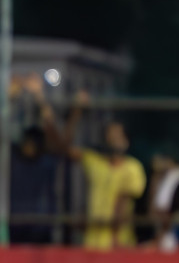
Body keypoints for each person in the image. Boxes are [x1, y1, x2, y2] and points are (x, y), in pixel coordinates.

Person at [60, 94, 146, 250]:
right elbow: (64, 147)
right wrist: (77, 111)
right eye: (110, 135)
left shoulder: (133, 167)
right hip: (92, 244)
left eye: (118, 136)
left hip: (119, 243)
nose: (114, 140)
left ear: (126, 141)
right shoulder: (95, 162)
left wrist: (115, 237)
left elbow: (123, 201)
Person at [11, 75, 63, 244]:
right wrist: (12, 97)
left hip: (40, 227)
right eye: (27, 143)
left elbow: (51, 129)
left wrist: (39, 96)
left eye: (33, 144)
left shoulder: (46, 162)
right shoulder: (13, 159)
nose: (29, 147)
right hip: (14, 225)